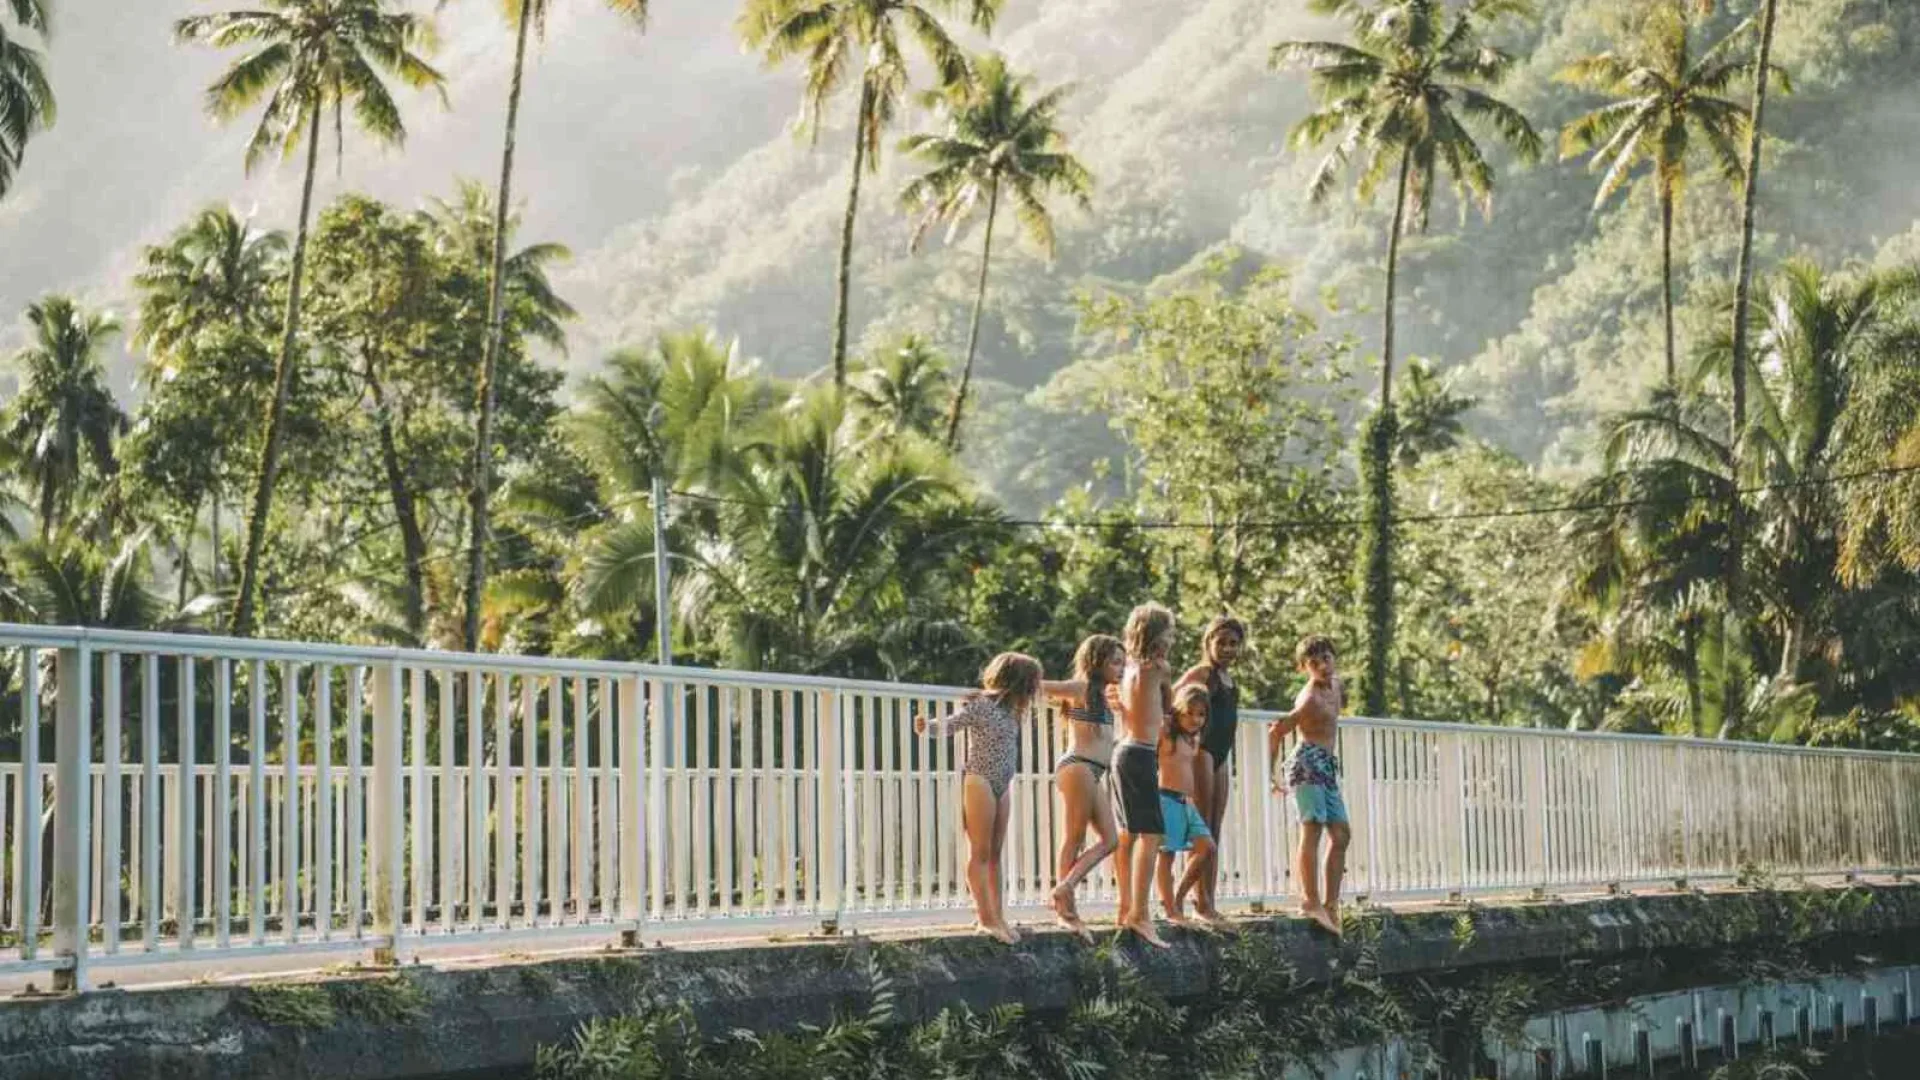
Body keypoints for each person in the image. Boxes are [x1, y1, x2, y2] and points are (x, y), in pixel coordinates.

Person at [916, 651, 1044, 944]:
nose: (1034, 692)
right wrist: (928, 727)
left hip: (1003, 782)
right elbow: (951, 724)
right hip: (980, 779)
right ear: (1016, 683)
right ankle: (985, 919)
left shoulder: (1014, 711)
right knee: (980, 851)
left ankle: (998, 916)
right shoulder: (982, 705)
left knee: (996, 854)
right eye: (1031, 685)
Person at [1267, 634, 1349, 937]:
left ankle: (1330, 903)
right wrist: (1270, 773)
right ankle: (1309, 901)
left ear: (1333, 658)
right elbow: (1277, 731)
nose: (1323, 667)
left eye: (1326, 659)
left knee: (1341, 834)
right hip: (1305, 763)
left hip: (1326, 765)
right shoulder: (1308, 698)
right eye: (1314, 663)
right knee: (1312, 827)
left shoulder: (1337, 685)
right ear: (1305, 668)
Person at [1044, 634, 1124, 942]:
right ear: (1097, 661)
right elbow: (1040, 687)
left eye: (1123, 663)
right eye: (1115, 662)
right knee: (1075, 837)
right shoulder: (1081, 688)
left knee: (1111, 840)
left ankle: (1066, 886)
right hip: (1077, 766)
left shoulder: (1103, 696)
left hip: (1093, 771)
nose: (1120, 669)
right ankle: (1066, 910)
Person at [1112, 602, 1175, 949]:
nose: (1172, 641)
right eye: (1168, 634)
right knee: (1151, 835)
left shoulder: (1129, 668)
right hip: (1140, 753)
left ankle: (1126, 908)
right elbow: (1171, 705)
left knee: (1128, 834)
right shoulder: (1159, 667)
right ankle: (1140, 914)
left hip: (1123, 751)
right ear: (1155, 637)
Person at [1176, 615, 1245, 928]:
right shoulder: (1203, 673)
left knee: (1214, 828)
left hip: (1221, 757)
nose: (1228, 649)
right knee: (1202, 828)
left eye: (1234, 643)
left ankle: (1209, 901)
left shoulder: (1230, 681)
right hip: (1201, 752)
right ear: (1208, 643)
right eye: (1222, 642)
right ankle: (1197, 902)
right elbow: (1174, 700)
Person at [1155, 683, 1216, 927]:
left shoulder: (1194, 738)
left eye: (1201, 714)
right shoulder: (1166, 732)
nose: (1195, 719)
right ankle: (1170, 907)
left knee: (1207, 847)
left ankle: (1178, 898)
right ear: (1178, 711)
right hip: (1165, 798)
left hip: (1185, 802)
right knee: (1166, 855)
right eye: (1189, 712)